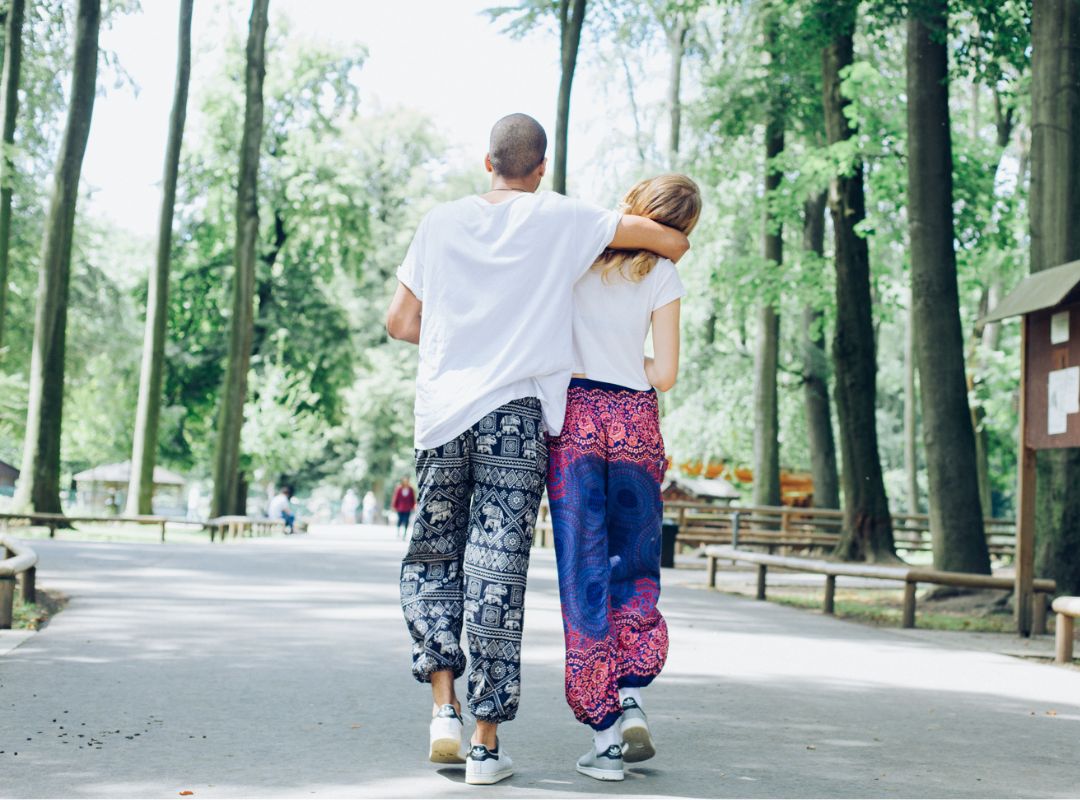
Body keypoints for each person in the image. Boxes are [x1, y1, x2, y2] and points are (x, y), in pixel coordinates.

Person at [386, 113, 690, 786]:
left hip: (445, 418)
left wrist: (461, 331)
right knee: (500, 571)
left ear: (485, 161)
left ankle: (443, 709)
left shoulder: (439, 223)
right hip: (520, 419)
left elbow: (400, 322)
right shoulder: (562, 219)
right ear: (542, 169)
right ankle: (487, 746)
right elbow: (666, 239)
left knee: (435, 557)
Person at [546, 174, 701, 781]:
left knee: (583, 565)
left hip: (576, 418)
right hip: (635, 417)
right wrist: (624, 363)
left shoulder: (577, 257)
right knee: (633, 560)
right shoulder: (663, 276)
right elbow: (665, 372)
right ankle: (632, 689)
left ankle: (605, 730)